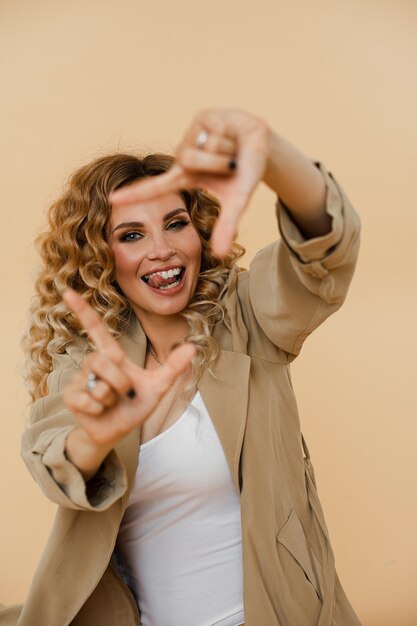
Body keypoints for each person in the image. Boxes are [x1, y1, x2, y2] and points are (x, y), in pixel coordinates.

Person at [0, 110, 362, 626]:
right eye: (131, 235)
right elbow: (55, 459)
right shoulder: (86, 365)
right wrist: (97, 437)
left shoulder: (248, 315)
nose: (162, 249)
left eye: (175, 224)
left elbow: (322, 254)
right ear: (101, 258)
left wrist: (275, 154)